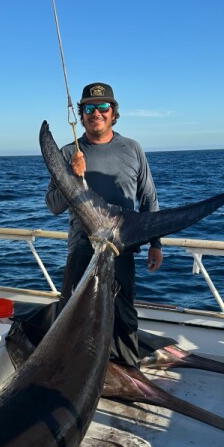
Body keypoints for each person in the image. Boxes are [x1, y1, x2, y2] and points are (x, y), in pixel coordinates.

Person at [45, 82, 163, 367]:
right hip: (82, 248)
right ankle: (71, 371)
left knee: (123, 312)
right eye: (89, 108)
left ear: (113, 113)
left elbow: (148, 198)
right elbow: (53, 205)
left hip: (121, 248)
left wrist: (155, 243)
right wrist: (71, 177)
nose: (95, 112)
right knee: (72, 311)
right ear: (81, 114)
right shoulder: (66, 152)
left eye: (102, 107)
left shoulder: (132, 149)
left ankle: (128, 368)